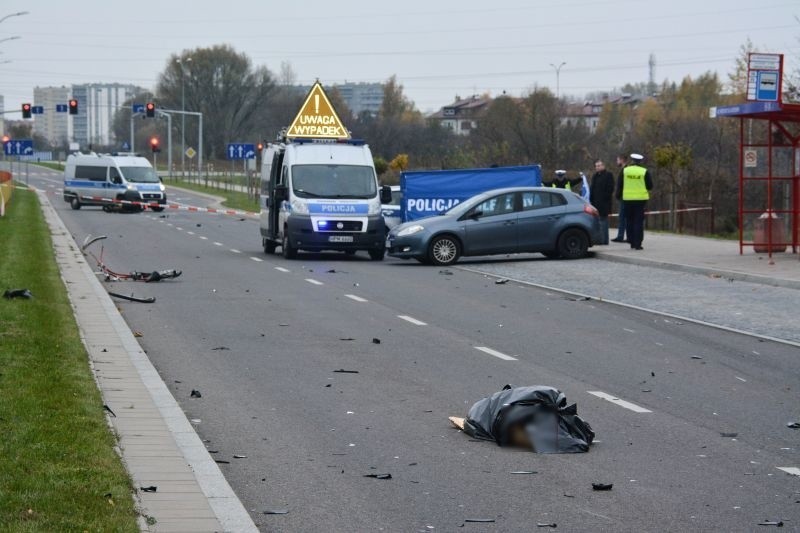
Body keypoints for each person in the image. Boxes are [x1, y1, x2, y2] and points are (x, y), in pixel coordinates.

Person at [617, 153, 653, 250]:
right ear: (640, 161)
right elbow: (650, 186)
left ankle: (631, 241)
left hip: (627, 200)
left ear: (632, 161)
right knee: (638, 222)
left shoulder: (625, 170)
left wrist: (618, 196)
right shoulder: (644, 171)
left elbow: (619, 184)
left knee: (629, 221)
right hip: (640, 200)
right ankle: (638, 244)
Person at [589, 159, 615, 244]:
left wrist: (605, 199)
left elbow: (610, 189)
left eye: (599, 165)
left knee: (604, 222)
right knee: (597, 222)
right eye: (596, 166)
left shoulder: (608, 175)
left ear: (603, 166)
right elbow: (592, 189)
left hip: (604, 203)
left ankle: (604, 240)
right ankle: (599, 239)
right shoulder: (595, 176)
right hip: (595, 203)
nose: (597, 167)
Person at [611, 154, 628, 242]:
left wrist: (617, 194)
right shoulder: (624, 170)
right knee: (623, 217)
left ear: (622, 160)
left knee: (623, 217)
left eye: (617, 160)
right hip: (624, 196)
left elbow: (621, 185)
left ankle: (621, 236)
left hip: (624, 197)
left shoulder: (625, 170)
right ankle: (622, 236)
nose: (617, 162)